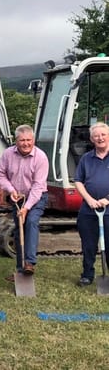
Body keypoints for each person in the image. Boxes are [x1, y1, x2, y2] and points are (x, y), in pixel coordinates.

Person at [0, 124, 48, 280]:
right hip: (16, 197)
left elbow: (38, 186)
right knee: (19, 231)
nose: (26, 144)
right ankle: (20, 270)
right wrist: (11, 190)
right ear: (16, 141)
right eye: (22, 140)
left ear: (33, 140)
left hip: (36, 197)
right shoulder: (8, 154)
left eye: (29, 140)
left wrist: (27, 208)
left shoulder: (41, 157)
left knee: (30, 222)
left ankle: (29, 264)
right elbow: (0, 174)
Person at [73, 122, 109, 287]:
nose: (100, 138)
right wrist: (89, 200)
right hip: (88, 210)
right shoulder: (86, 159)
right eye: (96, 136)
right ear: (91, 139)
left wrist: (107, 199)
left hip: (108, 208)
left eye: (103, 135)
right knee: (88, 244)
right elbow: (78, 181)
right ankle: (87, 274)